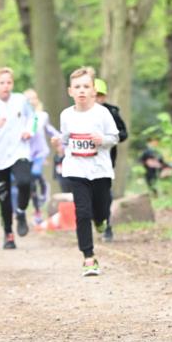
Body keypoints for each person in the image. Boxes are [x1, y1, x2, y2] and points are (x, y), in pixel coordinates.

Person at [59, 67, 119, 276]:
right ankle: (88, 257)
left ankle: (101, 220)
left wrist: (102, 140)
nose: (82, 91)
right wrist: (59, 141)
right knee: (82, 212)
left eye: (86, 86)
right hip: (76, 169)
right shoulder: (66, 115)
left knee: (101, 208)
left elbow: (115, 137)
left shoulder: (102, 113)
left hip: (100, 170)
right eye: (77, 87)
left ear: (94, 90)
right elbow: (66, 139)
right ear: (70, 91)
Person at [0, 66, 35, 249]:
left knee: (25, 182)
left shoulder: (20, 100)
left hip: (20, 150)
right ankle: (8, 234)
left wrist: (29, 131)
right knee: (3, 197)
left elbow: (32, 117)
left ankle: (20, 212)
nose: (6, 86)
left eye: (9, 82)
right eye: (1, 83)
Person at [94, 77, 128, 242]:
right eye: (94, 95)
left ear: (104, 96)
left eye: (100, 95)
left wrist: (108, 139)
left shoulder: (112, 112)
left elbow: (123, 133)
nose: (97, 99)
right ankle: (94, 220)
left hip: (107, 159)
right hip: (84, 161)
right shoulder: (77, 113)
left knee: (105, 191)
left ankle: (106, 224)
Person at [23, 89, 61, 224]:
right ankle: (37, 211)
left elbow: (49, 129)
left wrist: (60, 137)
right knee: (30, 184)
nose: (31, 101)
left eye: (33, 98)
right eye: (27, 99)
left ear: (37, 100)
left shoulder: (42, 115)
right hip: (26, 154)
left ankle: (45, 187)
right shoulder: (20, 118)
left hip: (40, 152)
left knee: (35, 173)